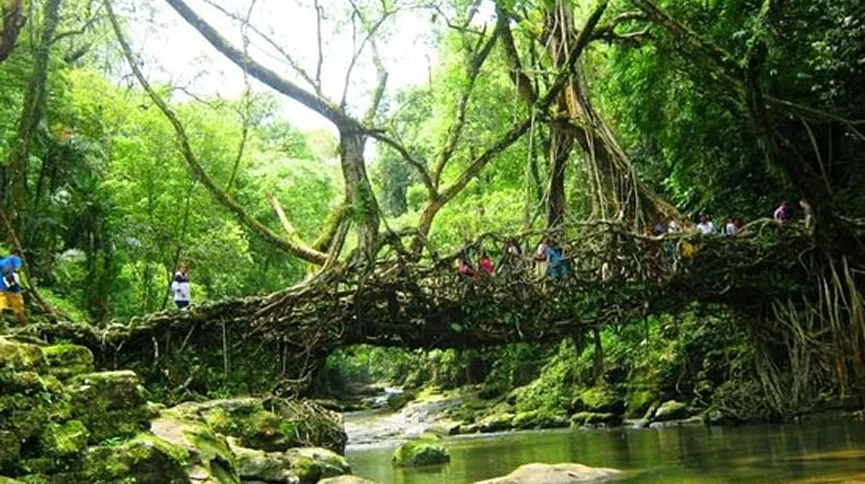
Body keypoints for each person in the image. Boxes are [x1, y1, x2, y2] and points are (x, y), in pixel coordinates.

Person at [0, 255, 25, 325]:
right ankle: (23, 325)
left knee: (1, 305)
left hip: (1, 288)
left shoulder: (1, 262)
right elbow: (17, 268)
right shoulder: (16, 258)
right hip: (14, 289)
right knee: (19, 309)